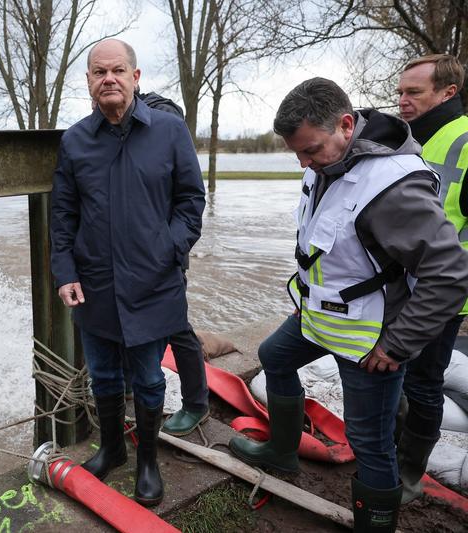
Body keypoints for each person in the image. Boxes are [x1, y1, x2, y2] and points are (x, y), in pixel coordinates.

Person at [227, 78, 468, 532]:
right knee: (273, 356)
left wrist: (397, 346)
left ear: (345, 124)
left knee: (369, 440)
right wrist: (307, 298)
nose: (305, 163)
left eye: (311, 150)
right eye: (297, 153)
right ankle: (282, 451)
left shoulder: (392, 186)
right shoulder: (327, 161)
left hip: (371, 338)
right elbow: (330, 248)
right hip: (321, 317)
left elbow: (451, 274)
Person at [50, 38, 205, 507]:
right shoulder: (75, 140)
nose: (109, 79)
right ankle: (113, 449)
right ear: (89, 83)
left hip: (154, 283)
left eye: (118, 70)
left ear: (135, 77)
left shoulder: (170, 131)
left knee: (149, 379)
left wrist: (168, 247)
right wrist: (65, 272)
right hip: (95, 285)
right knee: (103, 377)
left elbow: (191, 202)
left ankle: (148, 461)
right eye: (99, 73)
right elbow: (63, 217)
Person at [396, 54, 468, 503]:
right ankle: (391, 454)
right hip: (402, 286)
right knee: (400, 377)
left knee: (423, 382)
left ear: (448, 93)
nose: (402, 101)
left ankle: (409, 474)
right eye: (400, 93)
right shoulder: (411, 138)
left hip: (441, 293)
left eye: (414, 93)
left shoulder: (462, 141)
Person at [135, 87, 211, 436]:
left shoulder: (162, 117)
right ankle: (125, 389)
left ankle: (196, 403)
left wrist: (170, 248)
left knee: (176, 328)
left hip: (164, 254)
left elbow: (190, 197)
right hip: (127, 255)